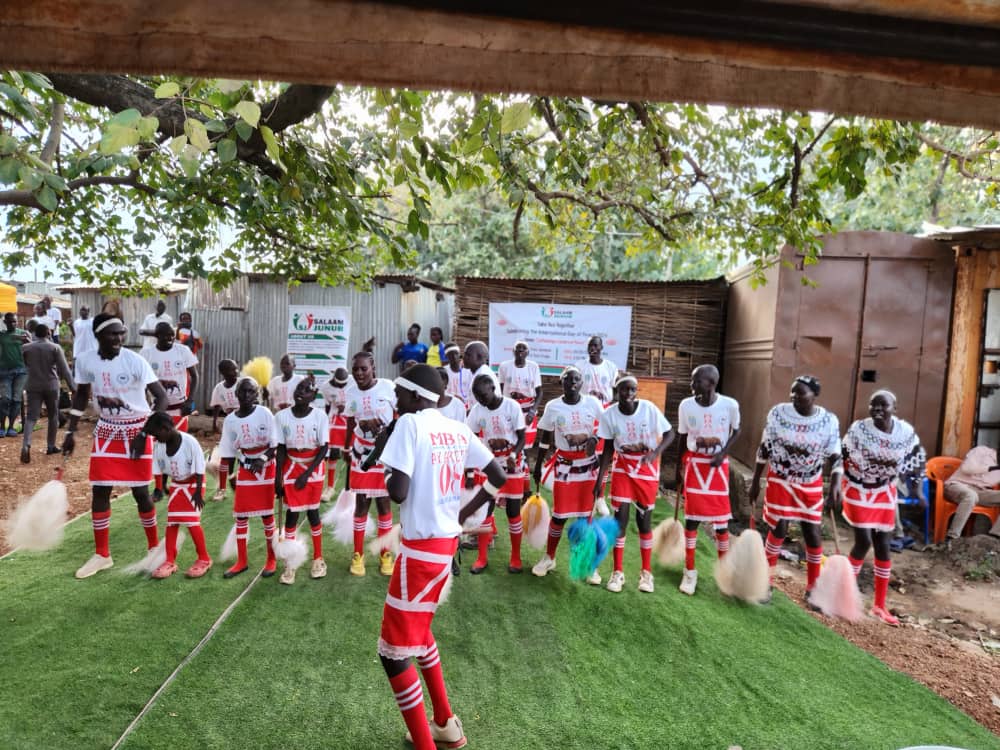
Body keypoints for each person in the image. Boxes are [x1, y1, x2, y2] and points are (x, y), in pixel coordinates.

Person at [377, 363, 505, 750]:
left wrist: (384, 469)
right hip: (444, 546)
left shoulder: (409, 425)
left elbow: (397, 492)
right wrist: (463, 514)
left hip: (420, 551)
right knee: (422, 634)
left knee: (394, 654)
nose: (395, 401)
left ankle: (427, 743)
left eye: (399, 394)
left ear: (416, 395)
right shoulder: (457, 427)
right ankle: (445, 724)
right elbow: (498, 476)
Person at [63, 313, 169, 579]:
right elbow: (81, 396)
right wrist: (70, 431)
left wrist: (145, 433)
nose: (119, 338)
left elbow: (161, 397)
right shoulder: (86, 361)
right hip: (107, 429)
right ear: (98, 335)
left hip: (137, 429)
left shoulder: (135, 361)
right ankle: (102, 555)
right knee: (100, 490)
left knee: (140, 493)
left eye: (122, 333)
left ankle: (155, 549)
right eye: (113, 333)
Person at [748, 375, 842, 597]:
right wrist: (755, 482)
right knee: (778, 528)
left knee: (812, 531)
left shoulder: (828, 421)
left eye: (800, 392)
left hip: (810, 482)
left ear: (814, 395)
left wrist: (836, 484)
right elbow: (765, 448)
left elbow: (836, 455)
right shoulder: (778, 414)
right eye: (792, 392)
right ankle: (765, 581)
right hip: (780, 479)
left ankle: (813, 587)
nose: (794, 396)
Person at [841, 390, 926, 625]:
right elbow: (843, 456)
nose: (878, 409)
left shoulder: (905, 432)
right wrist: (837, 486)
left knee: (884, 545)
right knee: (864, 541)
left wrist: (917, 491)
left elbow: (918, 460)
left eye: (883, 405)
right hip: (858, 488)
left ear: (894, 408)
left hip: (885, 491)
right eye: (873, 405)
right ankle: (842, 594)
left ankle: (879, 605)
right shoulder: (859, 430)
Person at [594, 373, 675, 593]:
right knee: (620, 521)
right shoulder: (609, 415)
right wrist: (600, 480)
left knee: (644, 523)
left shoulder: (648, 409)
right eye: (624, 390)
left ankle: (646, 573)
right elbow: (608, 449)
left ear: (636, 391)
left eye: (632, 390)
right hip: (622, 467)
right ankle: (617, 572)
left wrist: (656, 452)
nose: (628, 394)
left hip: (646, 467)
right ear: (616, 392)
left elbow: (670, 433)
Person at [531, 366, 604, 580]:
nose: (573, 382)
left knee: (585, 517)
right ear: (561, 383)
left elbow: (608, 425)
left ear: (582, 383)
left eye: (577, 379)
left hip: (589, 465)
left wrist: (595, 438)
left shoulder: (593, 403)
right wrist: (538, 464)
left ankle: (588, 563)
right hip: (564, 465)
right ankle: (549, 557)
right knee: (560, 515)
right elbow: (545, 436)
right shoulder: (553, 407)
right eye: (568, 379)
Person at [674, 364, 741, 596]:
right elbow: (683, 437)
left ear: (711, 384)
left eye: (697, 381)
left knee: (721, 524)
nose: (692, 386)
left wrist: (722, 454)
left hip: (718, 467)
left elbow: (737, 431)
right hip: (694, 464)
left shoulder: (729, 405)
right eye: (692, 381)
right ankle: (689, 571)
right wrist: (678, 468)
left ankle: (725, 574)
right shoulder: (686, 405)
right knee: (692, 521)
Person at [218, 377, 280, 579]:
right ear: (235, 394)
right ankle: (242, 561)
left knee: (267, 515)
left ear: (257, 394)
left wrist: (262, 458)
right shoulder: (230, 420)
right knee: (241, 515)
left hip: (266, 467)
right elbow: (227, 451)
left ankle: (271, 559)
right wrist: (226, 479)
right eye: (242, 392)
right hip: (245, 468)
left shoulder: (265, 413)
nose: (246, 396)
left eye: (251, 392)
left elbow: (275, 444)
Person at [465, 372, 527, 573]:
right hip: (489, 466)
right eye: (477, 397)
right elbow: (471, 440)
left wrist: (514, 454)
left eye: (483, 395)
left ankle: (515, 558)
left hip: (512, 466)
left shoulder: (512, 406)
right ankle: (482, 558)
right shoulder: (477, 411)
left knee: (513, 512)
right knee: (485, 512)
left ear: (493, 388)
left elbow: (522, 438)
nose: (481, 400)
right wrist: (470, 471)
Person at [343, 350, 397, 576]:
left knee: (384, 504)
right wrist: (347, 447)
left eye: (363, 368)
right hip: (361, 453)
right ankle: (358, 555)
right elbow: (349, 422)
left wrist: (384, 429)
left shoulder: (387, 387)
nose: (359, 373)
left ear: (373, 367)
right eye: (355, 369)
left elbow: (398, 416)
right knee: (362, 504)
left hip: (384, 453)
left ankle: (385, 554)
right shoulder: (351, 392)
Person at [275, 379, 330, 584]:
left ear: (313, 396)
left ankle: (318, 558)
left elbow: (324, 448)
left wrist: (307, 474)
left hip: (313, 469)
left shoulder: (319, 416)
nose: (301, 392)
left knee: (313, 512)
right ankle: (291, 562)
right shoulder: (281, 417)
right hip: (291, 466)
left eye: (307, 390)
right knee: (292, 514)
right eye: (299, 388)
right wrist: (278, 478)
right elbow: (280, 448)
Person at [146, 411, 212, 579]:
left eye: (155, 434)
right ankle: (169, 561)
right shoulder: (159, 445)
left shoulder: (190, 442)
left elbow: (199, 469)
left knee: (191, 521)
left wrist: (198, 492)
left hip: (194, 483)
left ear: (165, 428)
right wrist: (160, 489)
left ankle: (204, 558)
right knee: (172, 522)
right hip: (177, 484)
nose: (154, 438)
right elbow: (159, 468)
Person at [20, 324, 75, 463]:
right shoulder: (55, 348)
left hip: (32, 384)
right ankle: (51, 446)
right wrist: (74, 388)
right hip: (51, 385)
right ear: (49, 333)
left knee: (31, 417)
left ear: (35, 334)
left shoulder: (26, 348)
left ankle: (26, 444)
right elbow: (66, 371)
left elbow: (25, 365)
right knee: (53, 415)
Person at [141, 322, 198, 432]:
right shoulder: (146, 354)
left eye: (172, 335)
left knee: (179, 442)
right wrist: (145, 402)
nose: (170, 338)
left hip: (179, 408)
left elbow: (195, 376)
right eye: (166, 335)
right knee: (157, 442)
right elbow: (141, 382)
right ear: (157, 336)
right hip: (157, 409)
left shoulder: (183, 351)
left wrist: (190, 400)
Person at [940, 446, 1000, 544]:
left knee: (973, 495)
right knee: (971, 496)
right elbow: (966, 469)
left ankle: (995, 538)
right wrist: (994, 468)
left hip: (980, 491)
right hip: (957, 485)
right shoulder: (981, 451)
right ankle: (951, 539)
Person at [498, 340, 543, 450]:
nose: (521, 350)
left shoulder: (533, 367)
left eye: (524, 348)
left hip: (528, 410)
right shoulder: (504, 366)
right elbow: (500, 389)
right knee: (510, 439)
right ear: (513, 351)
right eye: (518, 348)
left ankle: (525, 465)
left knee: (526, 443)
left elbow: (540, 392)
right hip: (509, 408)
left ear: (528, 353)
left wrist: (532, 412)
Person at [320, 367, 352, 500]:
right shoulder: (326, 387)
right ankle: (330, 487)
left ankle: (351, 487)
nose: (343, 386)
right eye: (341, 384)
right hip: (335, 420)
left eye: (345, 383)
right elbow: (327, 406)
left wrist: (348, 406)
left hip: (350, 419)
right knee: (333, 453)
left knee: (352, 453)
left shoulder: (353, 381)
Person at [0, 312, 29, 437]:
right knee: (5, 398)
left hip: (21, 371)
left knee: (16, 399)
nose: (13, 323)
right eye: (10, 321)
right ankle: (2, 427)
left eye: (14, 321)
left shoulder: (23, 333)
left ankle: (11, 427)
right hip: (5, 371)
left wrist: (26, 340)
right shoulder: (2, 335)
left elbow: (33, 346)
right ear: (5, 322)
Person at [575, 335, 619, 406]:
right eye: (590, 346)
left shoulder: (611, 367)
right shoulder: (579, 366)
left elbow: (616, 388)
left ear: (601, 347)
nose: (592, 348)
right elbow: (574, 386)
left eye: (595, 345)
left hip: (605, 407)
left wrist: (612, 404)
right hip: (584, 406)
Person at [209, 359, 245, 434]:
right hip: (231, 419)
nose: (236, 371)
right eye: (233, 369)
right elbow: (217, 405)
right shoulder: (219, 388)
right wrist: (214, 422)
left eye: (236, 369)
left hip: (245, 417)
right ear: (223, 372)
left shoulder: (242, 383)